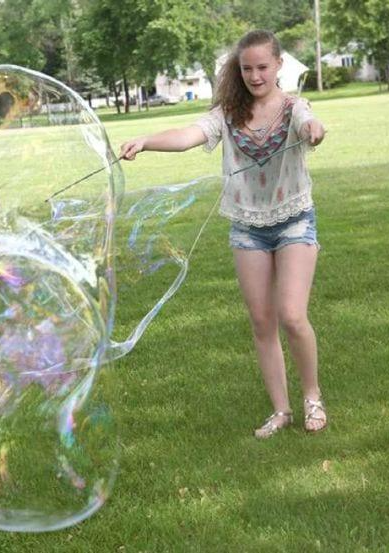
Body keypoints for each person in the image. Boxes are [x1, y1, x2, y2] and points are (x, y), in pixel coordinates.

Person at [120, 29, 327, 438]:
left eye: (262, 67)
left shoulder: (293, 106)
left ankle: (312, 396)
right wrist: (145, 141)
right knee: (261, 321)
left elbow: (308, 123)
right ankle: (281, 411)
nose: (255, 75)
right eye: (247, 68)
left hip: (294, 220)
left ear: (278, 66)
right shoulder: (227, 112)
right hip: (247, 227)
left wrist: (313, 128)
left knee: (291, 314)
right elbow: (185, 137)